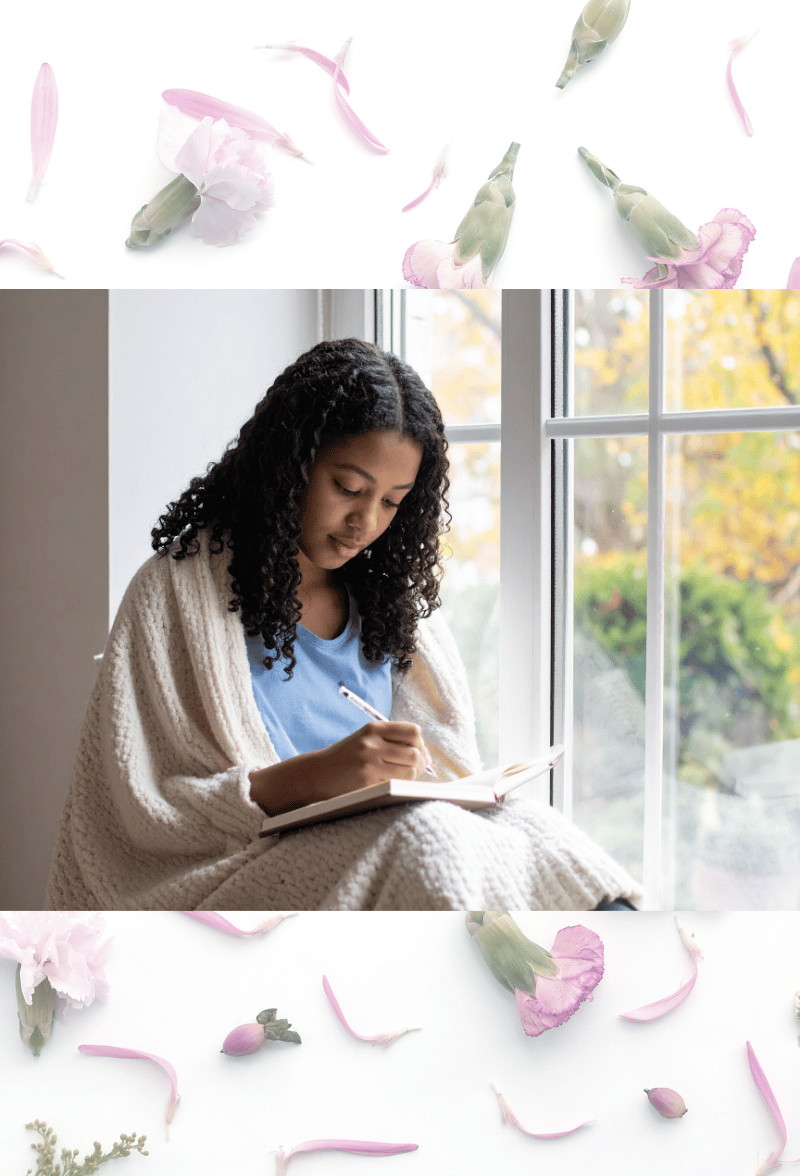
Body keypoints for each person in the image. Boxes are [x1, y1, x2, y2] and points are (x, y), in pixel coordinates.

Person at [46, 338, 639, 911]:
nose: (365, 522)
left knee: (536, 829)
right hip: (240, 865)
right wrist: (320, 776)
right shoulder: (176, 594)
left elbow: (447, 770)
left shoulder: (395, 609)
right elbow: (143, 809)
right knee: (423, 838)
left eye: (391, 501)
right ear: (289, 463)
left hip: (392, 837)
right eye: (349, 488)